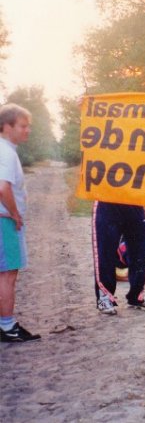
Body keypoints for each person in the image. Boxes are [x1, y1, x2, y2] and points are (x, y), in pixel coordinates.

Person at [0, 103, 41, 342]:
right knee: (7, 275)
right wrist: (15, 214)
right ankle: (7, 327)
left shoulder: (5, 150)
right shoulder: (5, 152)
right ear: (7, 127)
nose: (28, 131)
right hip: (5, 222)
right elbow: (2, 187)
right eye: (23, 126)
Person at [93, 202, 145, 314]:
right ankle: (104, 299)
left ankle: (137, 296)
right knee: (105, 252)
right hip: (107, 204)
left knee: (139, 254)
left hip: (135, 204)